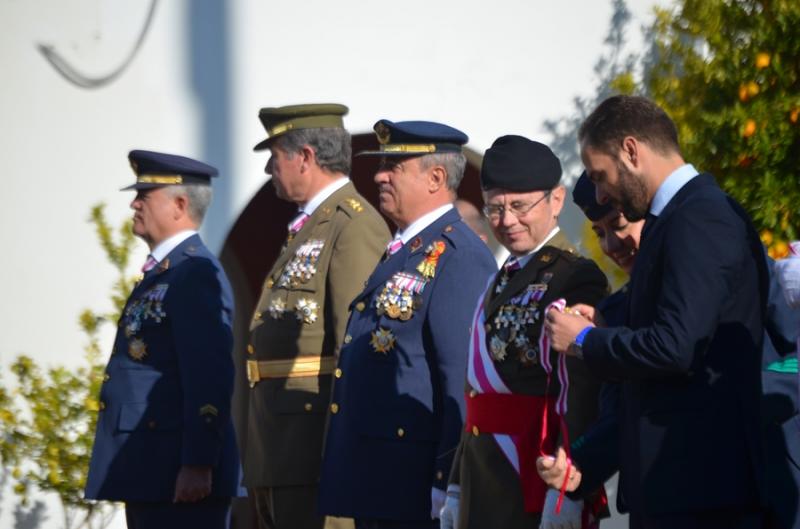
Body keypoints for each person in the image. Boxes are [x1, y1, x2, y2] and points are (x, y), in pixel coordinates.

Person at [543, 95, 769, 528]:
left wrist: (587, 340)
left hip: (704, 496)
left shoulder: (700, 217)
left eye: (600, 176)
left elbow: (675, 347)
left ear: (631, 151)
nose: (602, 191)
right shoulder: (676, 219)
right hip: (674, 493)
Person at [317, 119, 498, 529]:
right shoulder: (406, 248)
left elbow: (459, 380)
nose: (379, 174)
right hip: (381, 477)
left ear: (436, 177)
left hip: (415, 485)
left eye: (393, 166)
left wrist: (446, 479)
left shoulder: (458, 254)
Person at [438, 137, 609, 529]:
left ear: (556, 200)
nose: (507, 221)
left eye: (519, 206)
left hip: (535, 470)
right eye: (495, 208)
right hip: (485, 473)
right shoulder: (504, 277)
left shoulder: (574, 275)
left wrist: (567, 489)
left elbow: (581, 389)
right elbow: (477, 391)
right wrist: (457, 484)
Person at [245, 103, 390, 529]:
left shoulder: (352, 224)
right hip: (280, 445)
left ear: (305, 157)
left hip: (313, 449)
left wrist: (344, 451)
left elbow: (356, 346)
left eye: (276, 157)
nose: (271, 169)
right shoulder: (311, 226)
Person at [85, 150, 241, 528]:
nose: (134, 203)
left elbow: (208, 374)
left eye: (145, 195)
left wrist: (198, 462)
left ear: (180, 205)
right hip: (151, 469)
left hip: (177, 474)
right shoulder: (167, 273)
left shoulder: (195, 273)